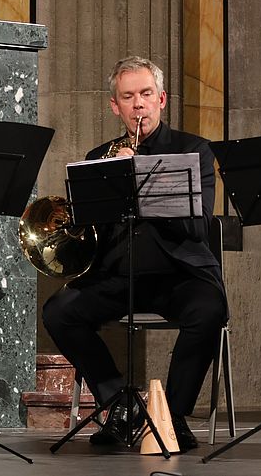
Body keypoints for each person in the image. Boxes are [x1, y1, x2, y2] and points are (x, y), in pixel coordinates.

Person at [41, 56, 227, 451]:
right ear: (115, 106)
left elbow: (197, 229)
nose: (138, 104)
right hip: (117, 276)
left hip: (179, 276)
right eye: (128, 97)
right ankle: (119, 405)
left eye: (145, 94)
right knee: (59, 312)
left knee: (210, 310)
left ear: (161, 99)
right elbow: (89, 234)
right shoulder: (99, 156)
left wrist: (142, 178)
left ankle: (171, 416)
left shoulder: (193, 150)